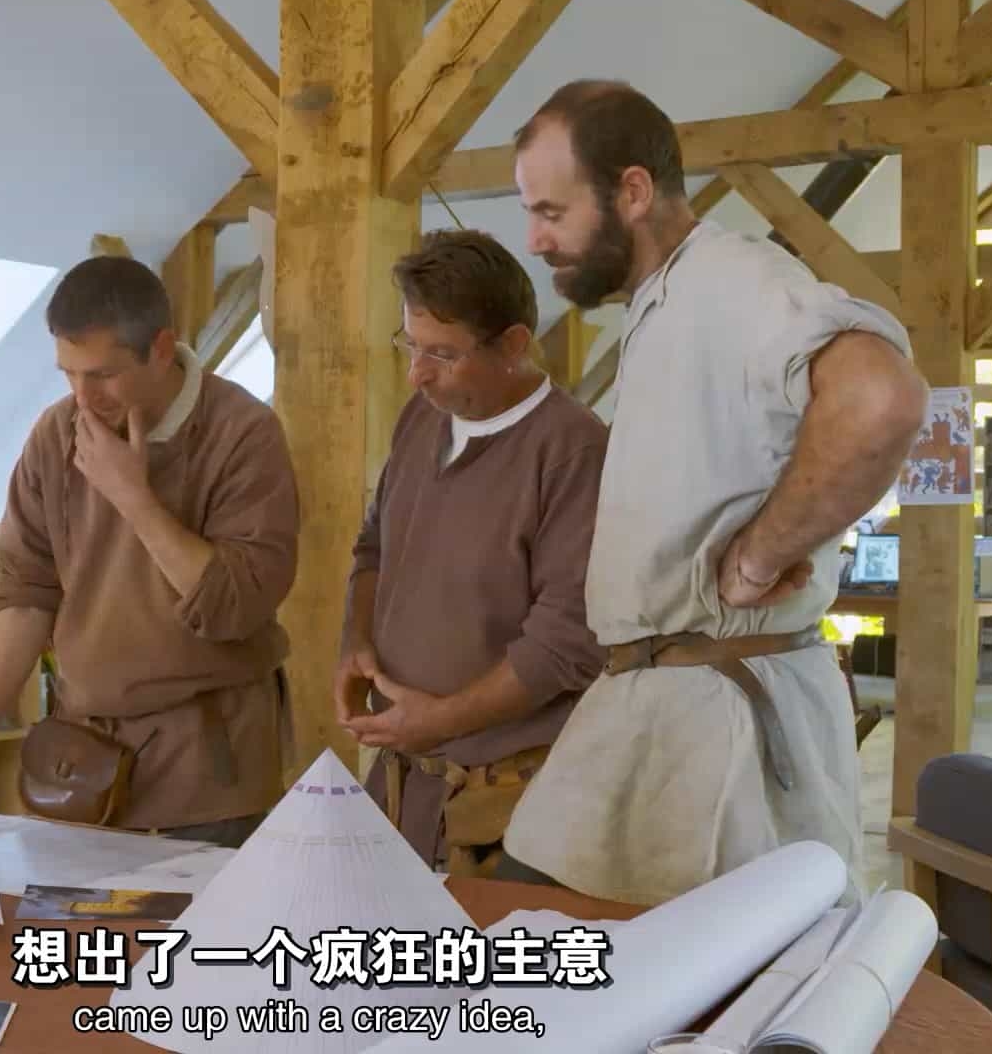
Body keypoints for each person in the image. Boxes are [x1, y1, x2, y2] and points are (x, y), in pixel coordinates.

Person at [501, 79, 929, 904]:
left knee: (716, 980)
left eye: (551, 212)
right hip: (655, 706)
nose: (534, 239)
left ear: (632, 191)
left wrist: (762, 555)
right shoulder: (663, 301)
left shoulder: (730, 279)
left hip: (722, 721)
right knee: (543, 930)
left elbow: (881, 397)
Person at [0, 254, 300, 848]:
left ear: (161, 348)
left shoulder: (243, 431)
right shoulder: (54, 433)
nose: (83, 397)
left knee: (190, 915)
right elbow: (25, 597)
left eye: (103, 375)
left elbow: (234, 607)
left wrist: (133, 496)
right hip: (80, 763)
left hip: (210, 769)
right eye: (69, 374)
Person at [336, 229, 608, 880]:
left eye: (443, 353)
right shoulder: (422, 416)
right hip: (403, 785)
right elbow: (374, 547)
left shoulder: (574, 450)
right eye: (411, 344)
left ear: (513, 344)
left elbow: (565, 643)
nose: (417, 373)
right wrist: (356, 642)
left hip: (509, 804)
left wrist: (439, 721)